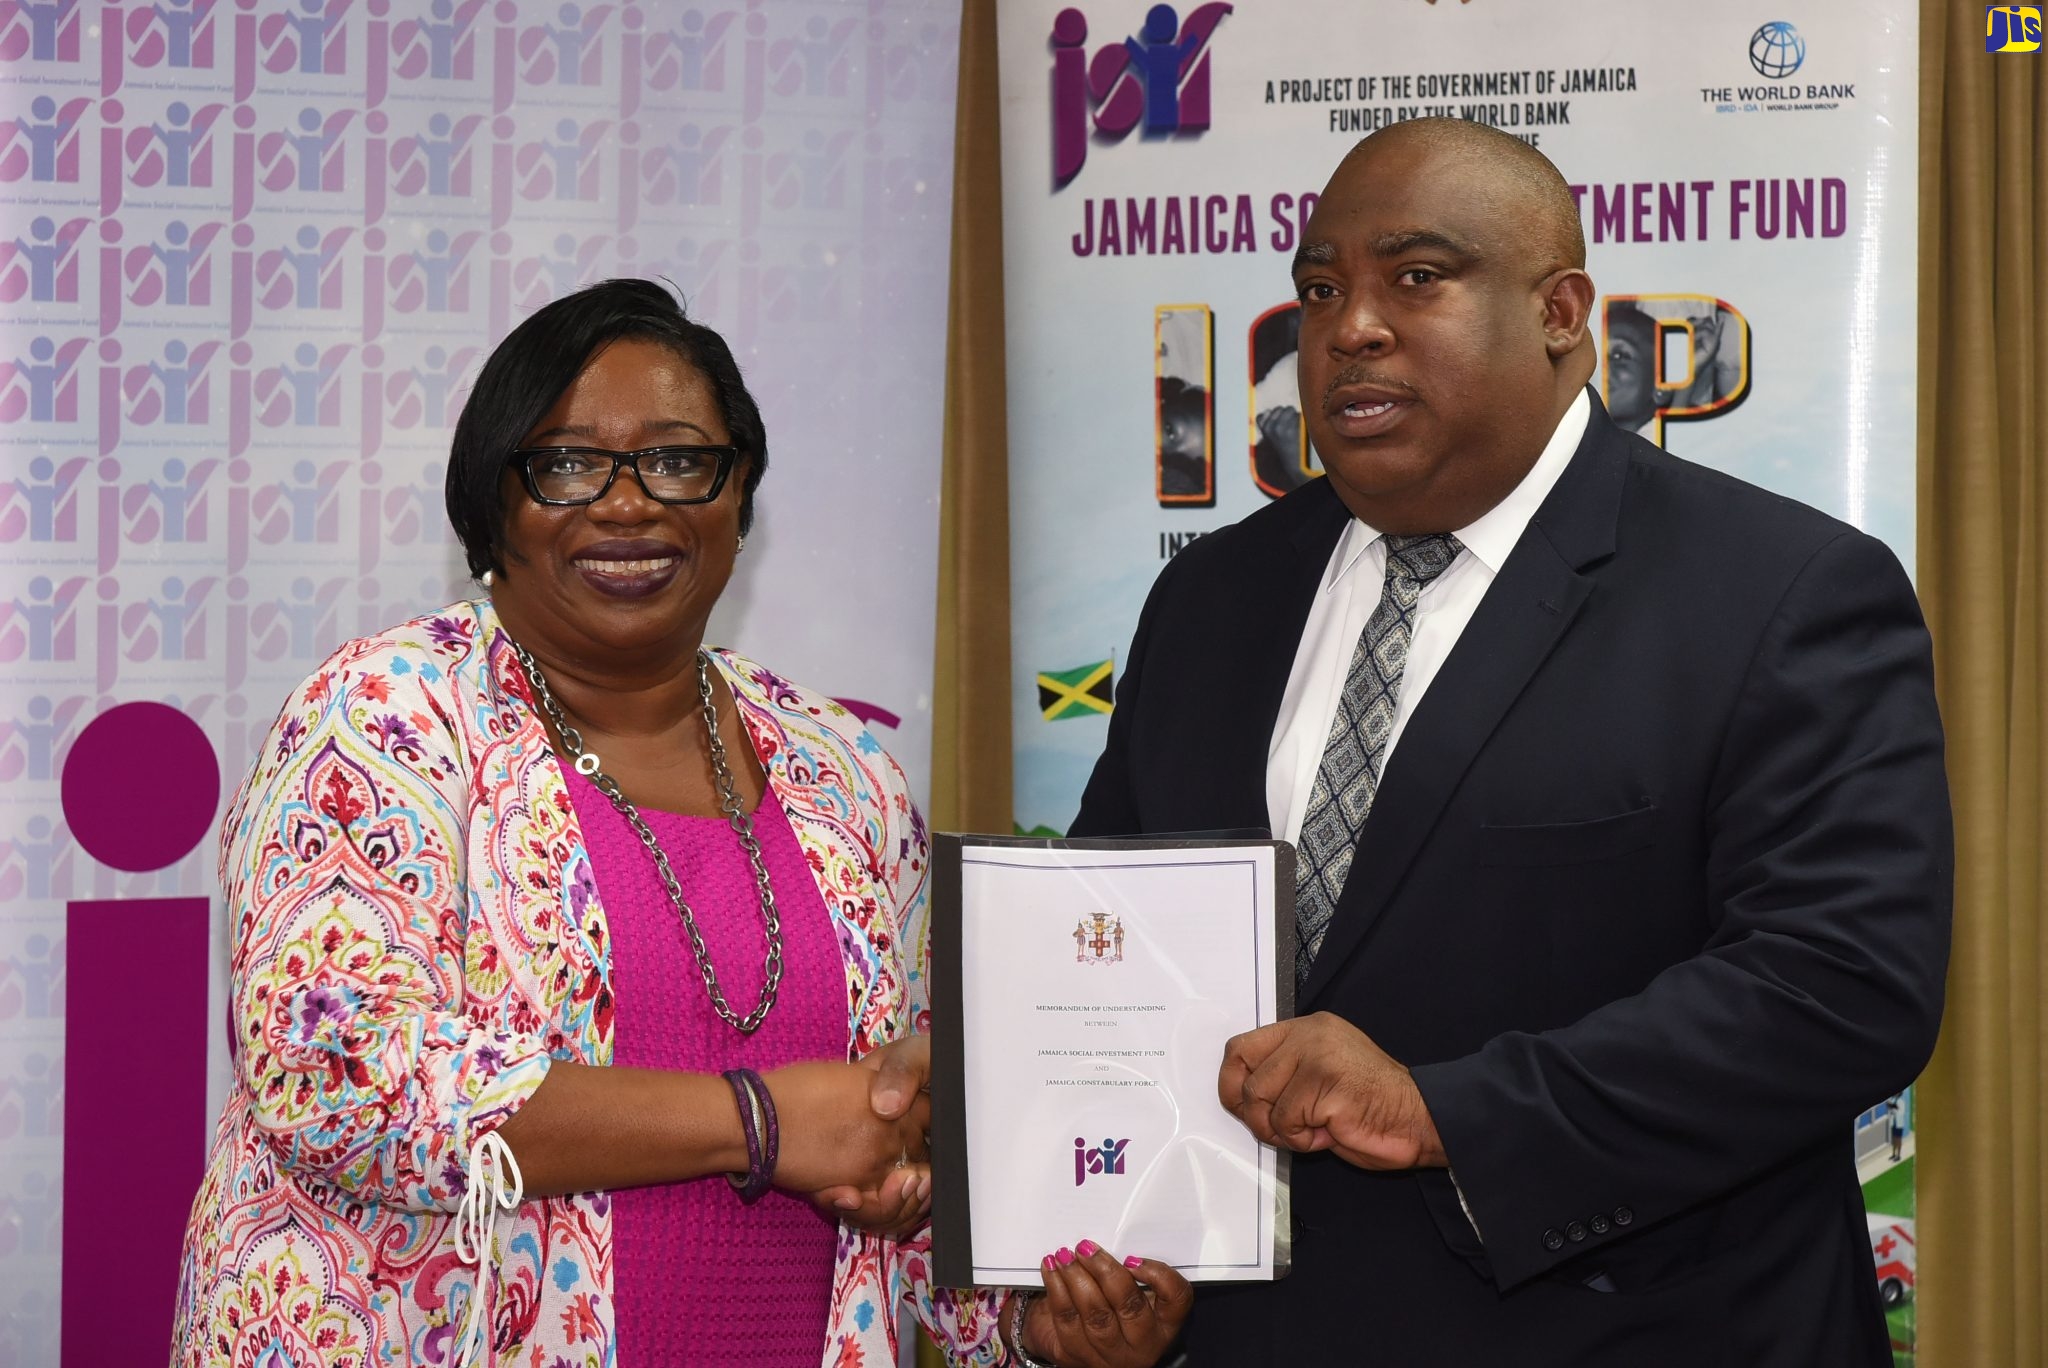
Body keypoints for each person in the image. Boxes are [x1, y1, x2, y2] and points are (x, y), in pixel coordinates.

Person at [169, 279, 1186, 1368]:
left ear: (736, 496)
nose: (627, 504)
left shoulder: (844, 773)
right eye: (566, 464)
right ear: (490, 503)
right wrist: (756, 1122)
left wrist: (1032, 1322)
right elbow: (335, 1078)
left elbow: (897, 1146)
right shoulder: (385, 715)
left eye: (676, 460)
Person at [1071, 119, 1950, 1366]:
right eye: (1319, 289)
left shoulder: (1780, 590)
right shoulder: (1211, 597)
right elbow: (1121, 948)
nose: (1349, 327)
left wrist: (1444, 1111)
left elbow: (1838, 985)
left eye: (1415, 278)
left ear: (1559, 311)